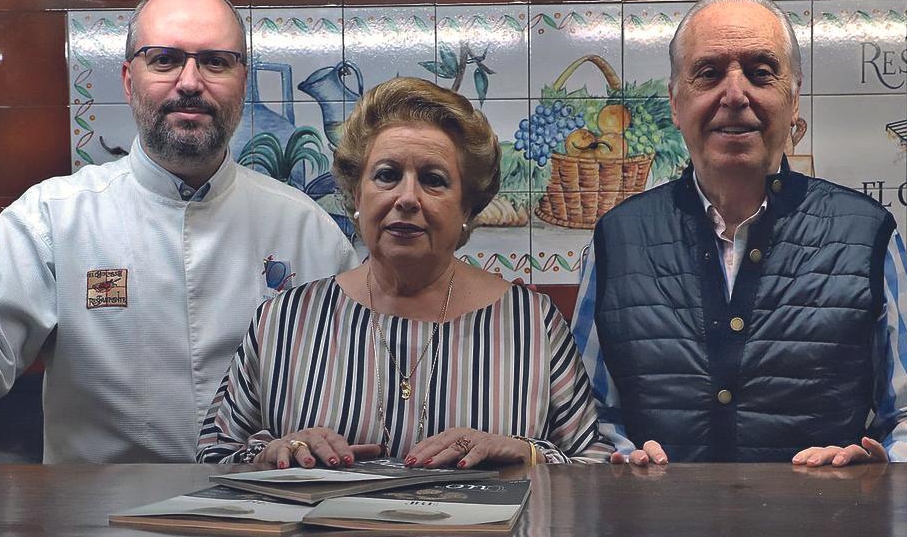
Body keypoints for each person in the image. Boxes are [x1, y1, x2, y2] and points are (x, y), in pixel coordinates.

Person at [0, 0, 357, 489]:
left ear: (242, 79)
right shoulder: (53, 217)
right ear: (128, 79)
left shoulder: (307, 229)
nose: (190, 81)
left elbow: (363, 370)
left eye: (214, 62)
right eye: (163, 60)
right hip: (96, 524)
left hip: (268, 516)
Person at [572, 0, 907, 467]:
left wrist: (881, 474)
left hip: (825, 535)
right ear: (675, 103)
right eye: (708, 74)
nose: (734, 95)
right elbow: (584, 419)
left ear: (793, 100)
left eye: (760, 73)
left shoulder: (867, 235)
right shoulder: (616, 239)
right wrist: (621, 459)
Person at [198, 77, 608, 469]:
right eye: (387, 176)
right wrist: (273, 452)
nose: (407, 198)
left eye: (433, 180)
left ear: (467, 209)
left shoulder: (532, 323)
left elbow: (595, 464)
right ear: (357, 195)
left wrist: (525, 453)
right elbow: (213, 457)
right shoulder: (285, 320)